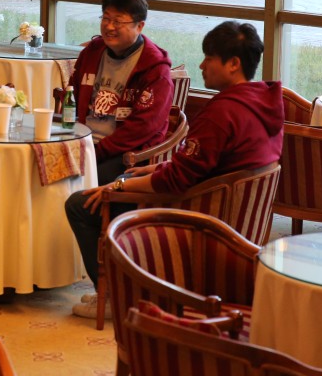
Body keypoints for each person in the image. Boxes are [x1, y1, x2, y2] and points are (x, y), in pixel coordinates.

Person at [64, 21, 284, 320]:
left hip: (198, 222)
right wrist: (157, 167)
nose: (202, 65)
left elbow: (177, 181)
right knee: (126, 177)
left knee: (82, 204)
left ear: (233, 64)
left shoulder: (223, 113)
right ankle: (121, 286)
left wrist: (116, 188)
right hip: (231, 219)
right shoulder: (262, 104)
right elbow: (214, 164)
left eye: (209, 58)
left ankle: (118, 296)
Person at [68, 0, 174, 184]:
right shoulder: (92, 52)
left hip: (127, 154)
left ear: (139, 26)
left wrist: (96, 151)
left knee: (79, 180)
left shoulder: (155, 69)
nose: (109, 27)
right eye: (106, 18)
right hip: (85, 141)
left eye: (118, 21)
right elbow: (72, 95)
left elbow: (142, 127)